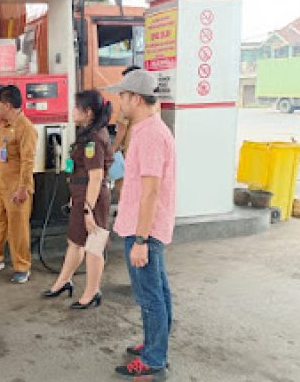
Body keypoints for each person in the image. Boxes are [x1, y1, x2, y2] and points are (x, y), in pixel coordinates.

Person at [105, 69, 176, 379]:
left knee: (149, 295)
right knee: (158, 290)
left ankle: (153, 357)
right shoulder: (151, 129)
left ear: (134, 98)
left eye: (121, 95)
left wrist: (141, 240)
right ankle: (154, 344)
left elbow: (150, 191)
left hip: (143, 228)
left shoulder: (149, 134)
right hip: (145, 226)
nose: (119, 101)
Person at [42, 90, 113, 308]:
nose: (72, 111)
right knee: (75, 242)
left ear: (88, 112)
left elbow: (96, 176)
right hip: (81, 196)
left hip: (93, 199)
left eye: (76, 107)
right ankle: (63, 281)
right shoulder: (86, 134)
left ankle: (92, 292)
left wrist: (87, 210)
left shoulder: (94, 138)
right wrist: (76, 199)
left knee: (93, 246)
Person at [0, 85, 38, 283]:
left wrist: (23, 189)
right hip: (2, 185)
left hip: (17, 188)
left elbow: (28, 161)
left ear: (8, 105)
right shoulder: (4, 125)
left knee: (18, 229)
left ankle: (22, 266)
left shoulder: (26, 128)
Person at [110, 65, 141, 203]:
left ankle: (127, 211)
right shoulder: (149, 102)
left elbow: (122, 128)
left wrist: (113, 148)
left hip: (128, 150)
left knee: (121, 183)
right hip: (139, 149)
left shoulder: (128, 102)